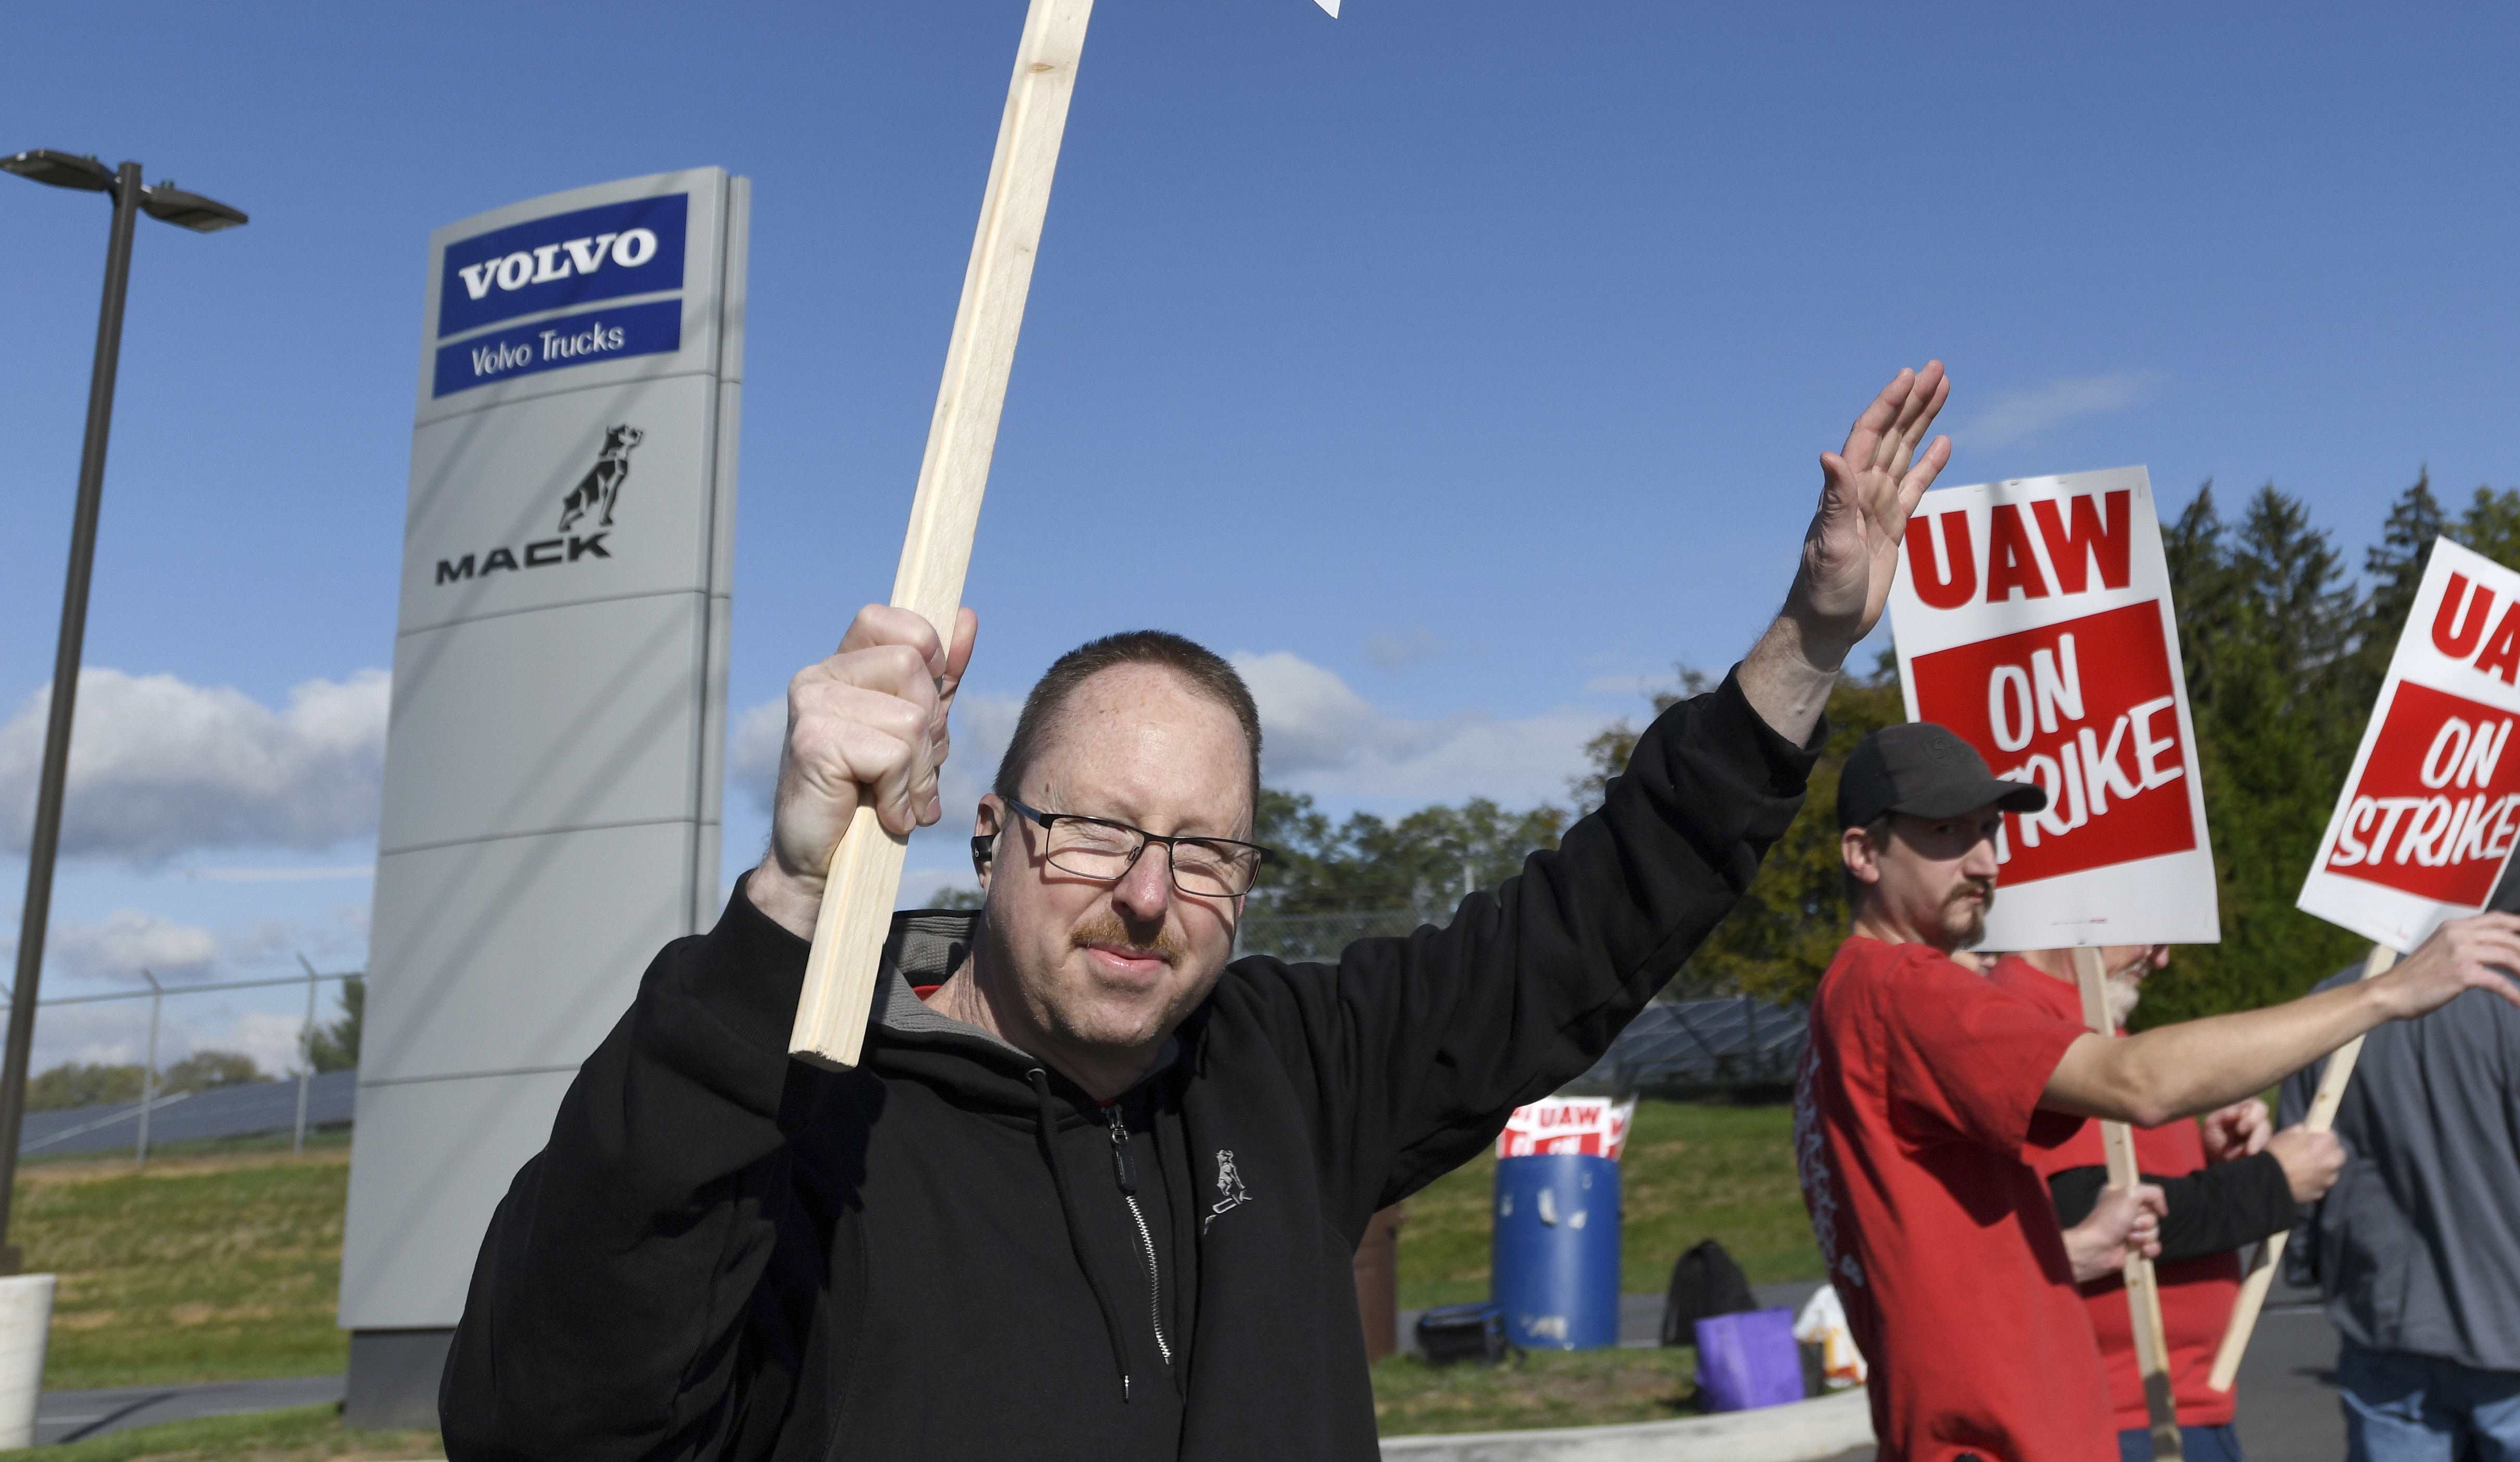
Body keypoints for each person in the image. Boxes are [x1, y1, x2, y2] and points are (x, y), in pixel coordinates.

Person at [442, 367, 1963, 1462]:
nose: (1149, 892)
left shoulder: (1291, 1065)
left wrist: (1809, 640)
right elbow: (547, 1411)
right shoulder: (805, 1109)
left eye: (1205, 849)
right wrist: (784, 901)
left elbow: (1593, 915)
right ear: (986, 828)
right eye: (1094, 826)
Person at [1797, 724, 2520, 1462]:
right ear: (1864, 853)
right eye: (1946, 832)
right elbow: (2138, 1085)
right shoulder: (1904, 990)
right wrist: (2387, 994)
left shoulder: (1851, 998)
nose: (1987, 861)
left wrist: (2063, 1255)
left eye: (1989, 830)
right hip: (1999, 1439)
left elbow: (1926, 1250)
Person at [2285, 849, 2520, 1462]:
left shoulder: (2328, 1007)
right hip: (2516, 1328)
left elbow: (2298, 1174)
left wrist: (2309, 1264)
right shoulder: (2516, 1008)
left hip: (2384, 1320)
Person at [1989, 943, 2352, 1462]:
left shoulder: (2099, 1038)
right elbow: (2082, 1209)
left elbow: (2127, 1185)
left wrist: (2214, 1157)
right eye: (2147, 929)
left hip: (2170, 1409)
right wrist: (2271, 1182)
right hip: (2108, 1419)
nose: (2160, 959)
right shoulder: (2028, 1028)